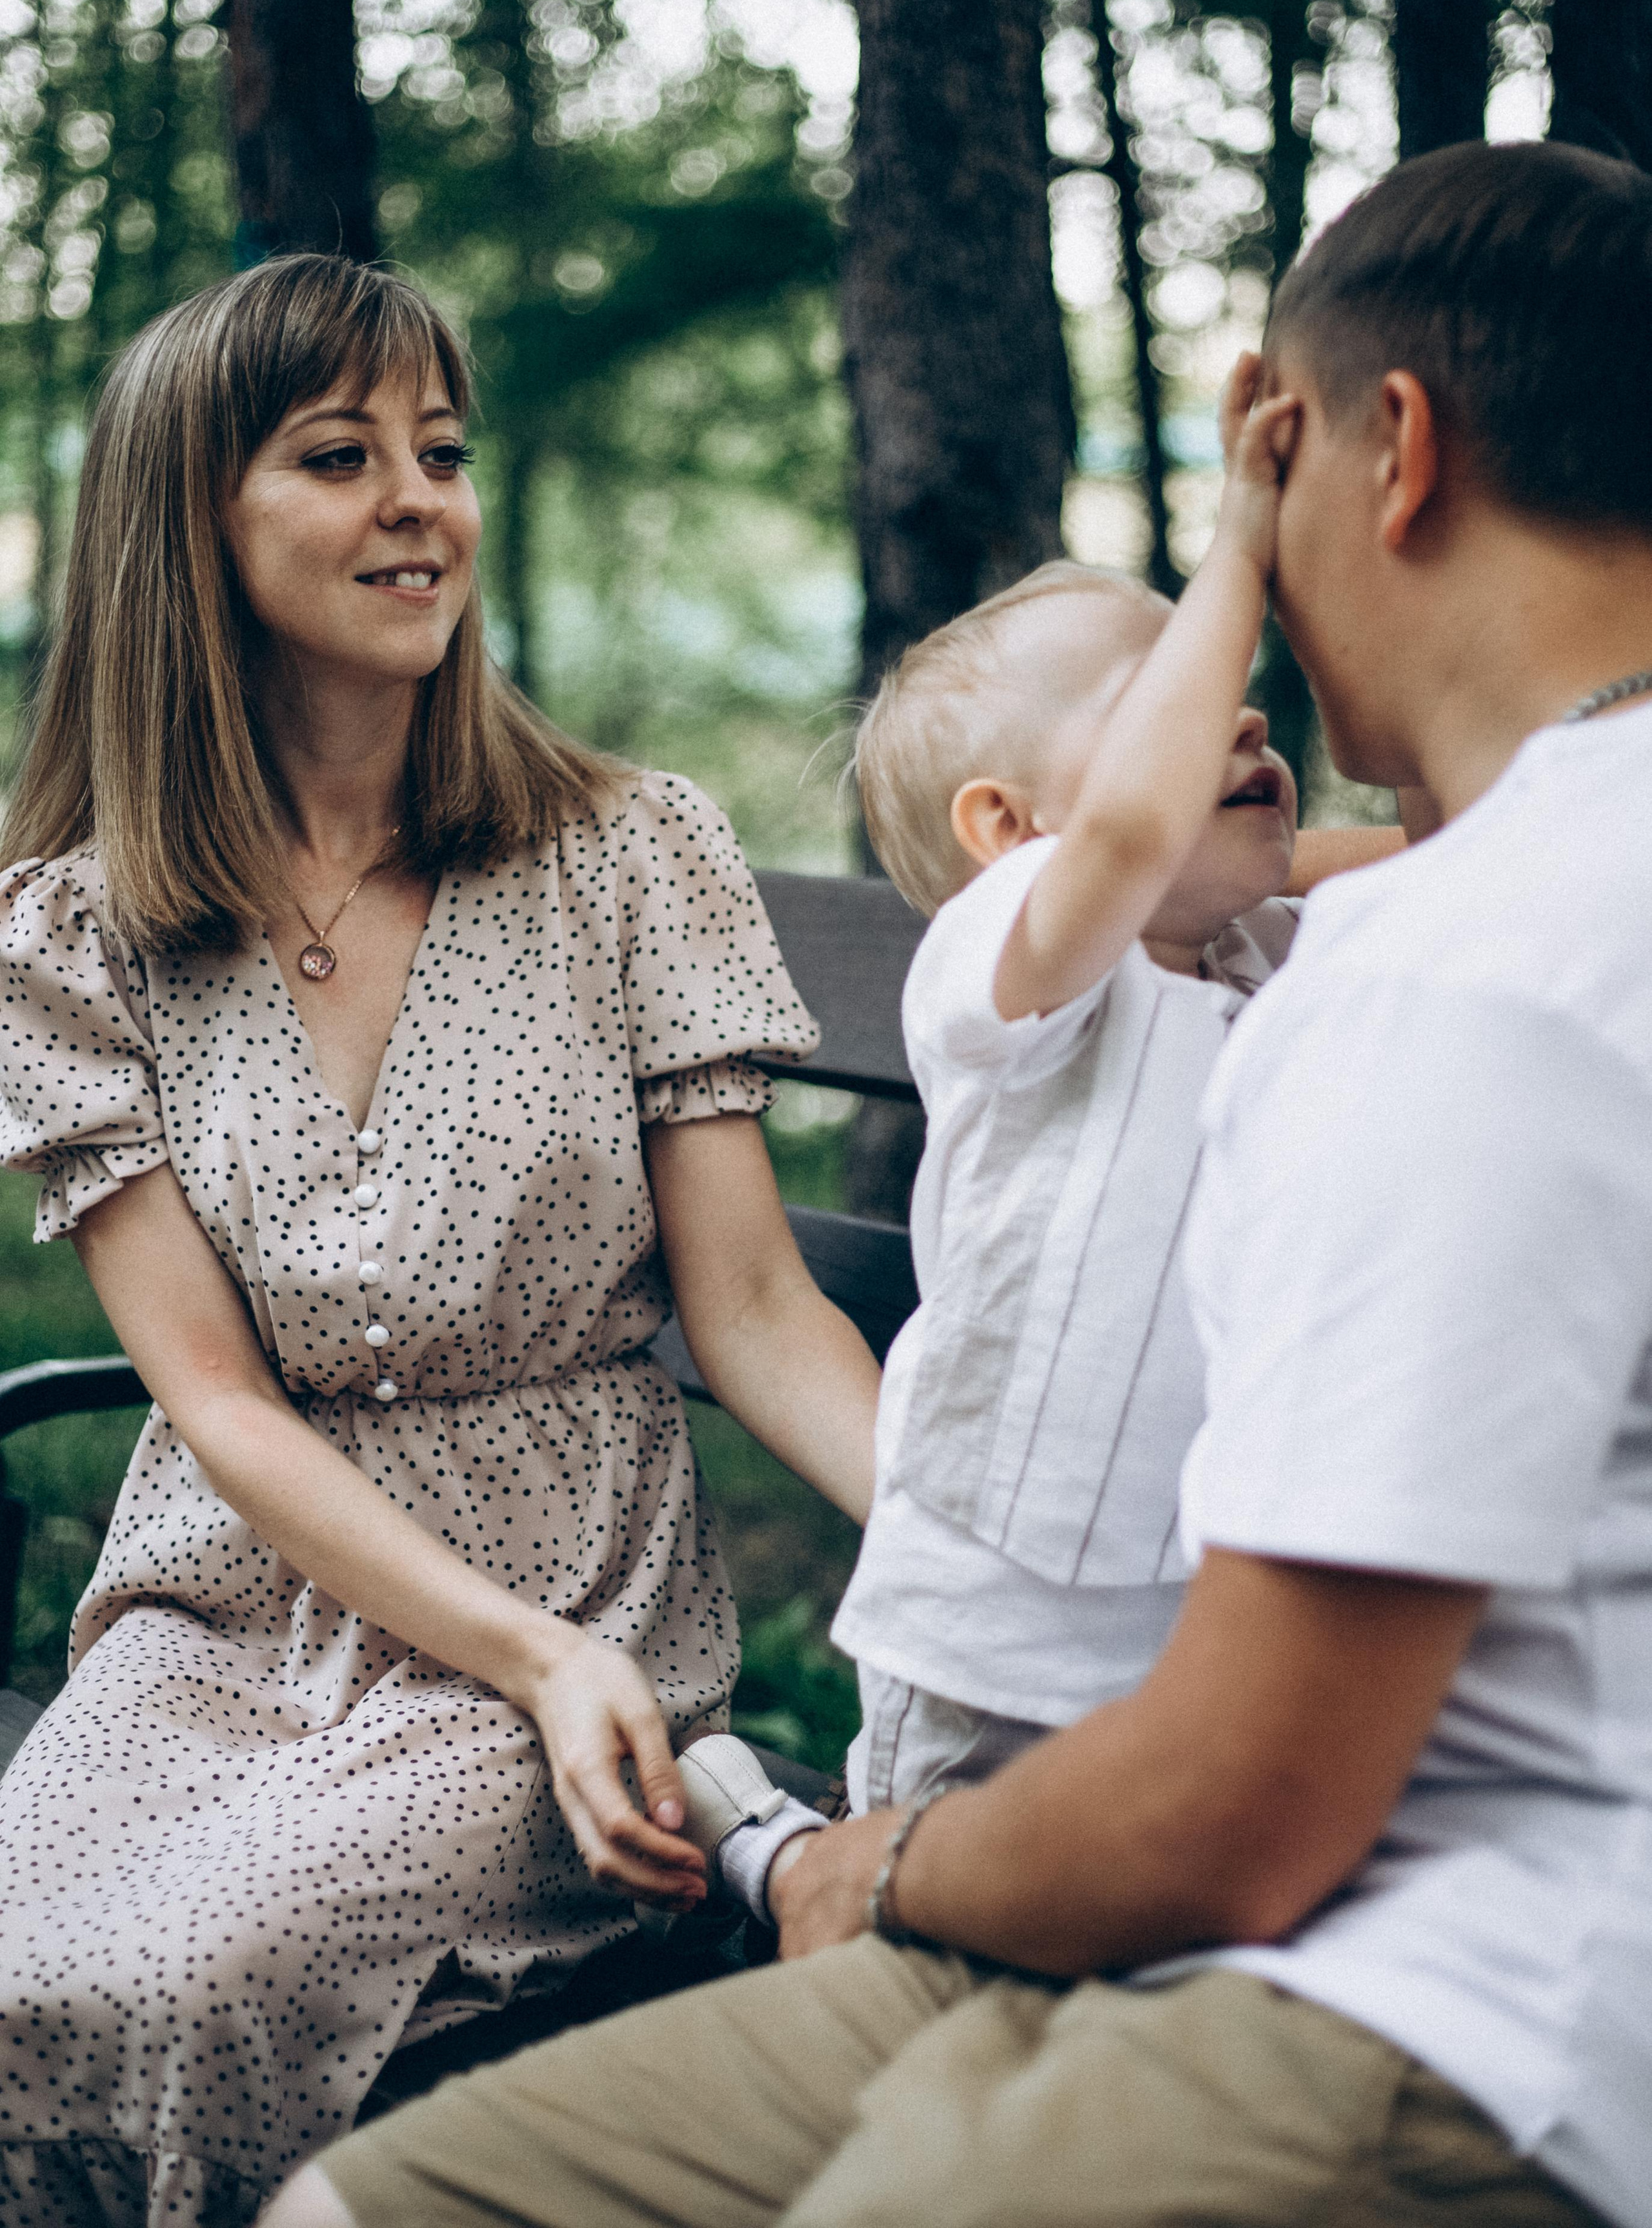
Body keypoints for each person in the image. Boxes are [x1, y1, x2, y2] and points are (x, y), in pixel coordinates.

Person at [274, 137, 1652, 2228]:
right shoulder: (1404, 929)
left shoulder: (1454, 972)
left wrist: (878, 1863)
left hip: (1442, 1972)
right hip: (1185, 1816)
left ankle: (793, 1857)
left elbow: (1235, 1801)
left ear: (1382, 455)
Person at [0, 254, 882, 2228]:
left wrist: (980, 1553)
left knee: (211, 1971)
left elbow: (749, 1304)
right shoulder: (79, 934)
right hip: (229, 1607)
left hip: (564, 1601)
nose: (420, 500)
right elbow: (211, 1398)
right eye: (339, 455)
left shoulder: (625, 850)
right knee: (21, 1976)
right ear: (191, 533)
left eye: (443, 450)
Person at [679, 368, 1412, 1925]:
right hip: (986, 1617)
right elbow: (1131, 839)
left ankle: (771, 1844)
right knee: (896, 1931)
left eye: (1232, 690)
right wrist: (1234, 553)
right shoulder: (1004, 956)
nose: (1238, 709)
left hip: (1186, 1613)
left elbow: (1440, 844)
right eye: (1161, 701)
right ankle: (781, 1858)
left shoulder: (1249, 946)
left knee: (1120, 1930)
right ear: (1004, 827)